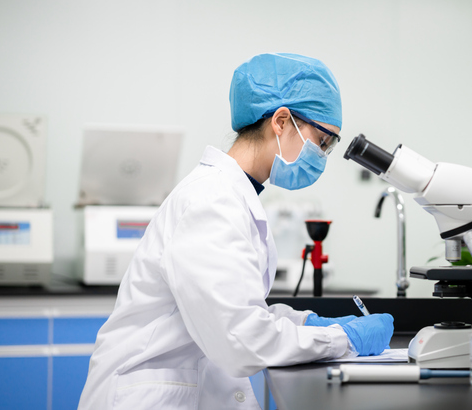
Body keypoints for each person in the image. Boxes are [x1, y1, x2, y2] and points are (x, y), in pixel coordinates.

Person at [78, 53, 394, 409]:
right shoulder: (211, 200)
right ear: (281, 120)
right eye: (322, 142)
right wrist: (343, 340)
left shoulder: (231, 195)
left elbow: (234, 311)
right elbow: (241, 339)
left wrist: (309, 322)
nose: (322, 156)